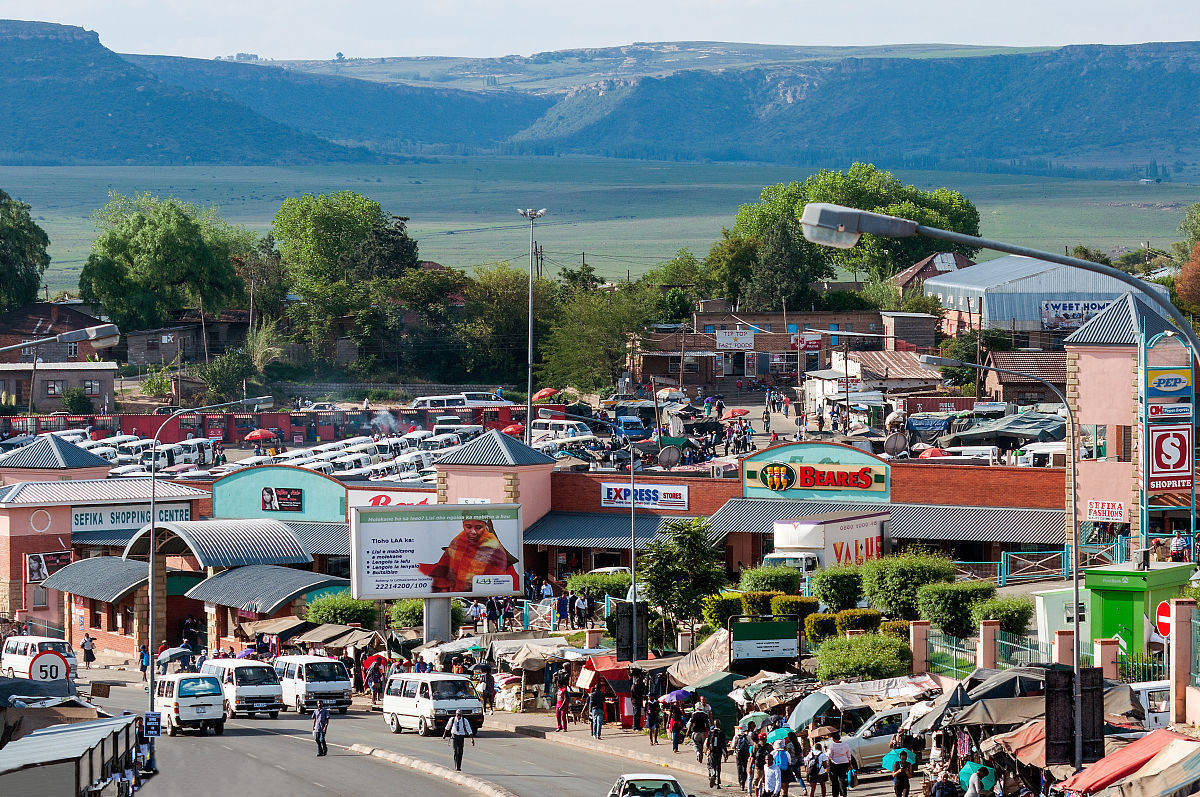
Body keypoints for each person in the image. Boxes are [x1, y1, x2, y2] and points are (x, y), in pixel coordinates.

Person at [826, 732, 852, 797]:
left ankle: (835, 794)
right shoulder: (845, 744)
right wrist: (850, 763)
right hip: (844, 763)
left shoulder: (832, 745)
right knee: (842, 779)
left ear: (834, 739)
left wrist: (826, 751)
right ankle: (844, 794)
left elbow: (829, 756)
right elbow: (849, 755)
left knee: (834, 780)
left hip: (835, 764)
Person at [705, 719, 728, 788]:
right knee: (718, 766)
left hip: (712, 751)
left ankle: (713, 775)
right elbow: (723, 744)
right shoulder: (721, 733)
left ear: (714, 725)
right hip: (719, 752)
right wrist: (725, 754)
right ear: (720, 725)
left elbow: (707, 743)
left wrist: (708, 750)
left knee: (711, 765)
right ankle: (718, 783)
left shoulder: (710, 732)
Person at [735, 723, 754, 791]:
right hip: (745, 754)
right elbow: (752, 743)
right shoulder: (747, 737)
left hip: (738, 754)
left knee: (739, 767)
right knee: (744, 767)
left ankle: (740, 782)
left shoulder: (736, 736)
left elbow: (733, 746)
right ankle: (743, 783)